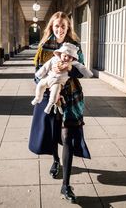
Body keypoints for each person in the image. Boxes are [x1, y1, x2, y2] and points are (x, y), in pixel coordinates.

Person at [28, 11, 91, 203]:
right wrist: (50, 73)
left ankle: (66, 185)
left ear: (68, 27)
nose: (60, 29)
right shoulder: (43, 47)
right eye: (57, 26)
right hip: (50, 96)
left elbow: (82, 72)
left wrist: (70, 69)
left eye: (63, 26)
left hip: (71, 97)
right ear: (51, 27)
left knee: (68, 136)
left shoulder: (75, 47)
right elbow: (36, 76)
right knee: (54, 133)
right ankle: (56, 160)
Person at [31, 42, 93, 114]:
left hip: (61, 84)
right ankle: (38, 98)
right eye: (65, 56)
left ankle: (49, 106)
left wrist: (70, 69)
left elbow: (82, 70)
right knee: (40, 86)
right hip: (47, 79)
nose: (67, 58)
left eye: (70, 57)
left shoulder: (74, 58)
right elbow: (44, 67)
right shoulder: (46, 49)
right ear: (60, 54)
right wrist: (40, 74)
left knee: (54, 94)